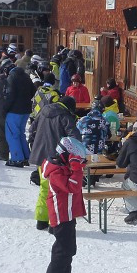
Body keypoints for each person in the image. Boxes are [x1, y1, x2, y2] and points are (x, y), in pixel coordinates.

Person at [42, 136, 89, 273]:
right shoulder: (55, 170)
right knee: (62, 249)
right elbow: (73, 187)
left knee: (69, 248)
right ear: (65, 155)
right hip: (60, 212)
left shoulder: (62, 165)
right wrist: (77, 168)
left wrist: (78, 164)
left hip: (67, 212)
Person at [30, 95, 81, 230]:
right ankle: (54, 221)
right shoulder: (65, 116)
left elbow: (32, 129)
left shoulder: (44, 111)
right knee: (55, 192)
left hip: (41, 157)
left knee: (44, 188)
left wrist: (34, 144)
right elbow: (75, 138)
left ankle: (41, 219)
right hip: (56, 159)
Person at [3, 62, 35, 167]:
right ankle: (26, 156)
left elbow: (10, 95)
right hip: (26, 110)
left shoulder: (11, 78)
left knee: (12, 135)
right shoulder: (26, 76)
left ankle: (17, 158)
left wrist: (5, 108)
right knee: (21, 134)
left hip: (14, 111)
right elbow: (33, 91)